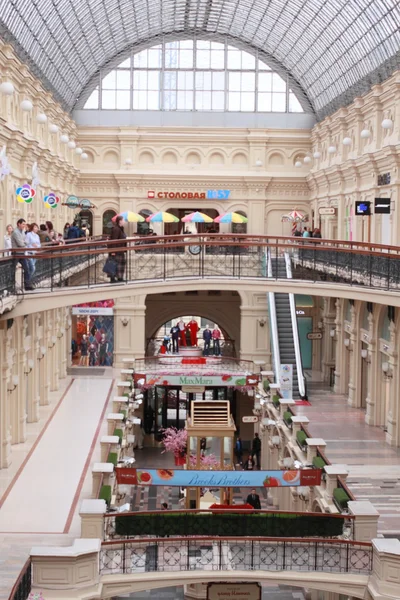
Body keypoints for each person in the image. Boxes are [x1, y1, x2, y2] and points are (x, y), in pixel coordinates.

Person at [11, 218, 34, 290]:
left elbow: (26, 241)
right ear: (19, 224)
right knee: (13, 270)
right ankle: (10, 286)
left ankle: (27, 285)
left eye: (24, 224)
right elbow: (20, 243)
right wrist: (24, 242)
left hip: (22, 253)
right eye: (23, 224)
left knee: (27, 269)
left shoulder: (23, 231)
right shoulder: (15, 232)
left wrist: (24, 242)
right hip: (16, 253)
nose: (24, 225)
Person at [110, 215, 127, 282]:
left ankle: (119, 277)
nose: (124, 221)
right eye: (123, 220)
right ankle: (113, 278)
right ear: (120, 221)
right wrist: (113, 251)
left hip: (120, 250)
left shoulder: (120, 228)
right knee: (115, 263)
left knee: (120, 264)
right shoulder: (116, 229)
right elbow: (114, 240)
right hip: (117, 250)